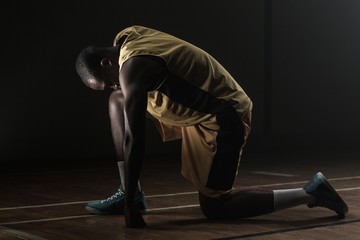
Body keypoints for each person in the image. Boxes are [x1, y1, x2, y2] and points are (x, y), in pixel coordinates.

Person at [75, 25, 348, 228]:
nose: (113, 84)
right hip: (196, 107)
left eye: (107, 81)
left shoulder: (132, 68)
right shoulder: (127, 36)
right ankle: (130, 192)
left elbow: (135, 138)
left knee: (216, 207)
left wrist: (128, 212)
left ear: (106, 62)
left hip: (222, 117)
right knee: (117, 99)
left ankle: (311, 192)